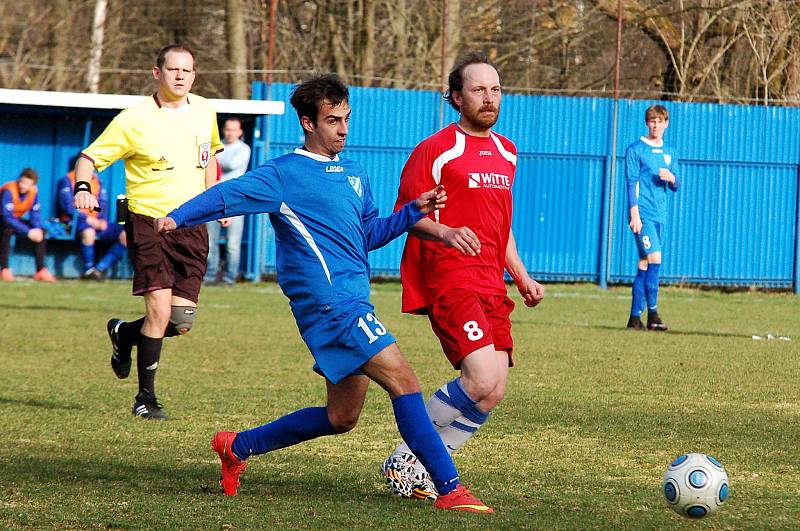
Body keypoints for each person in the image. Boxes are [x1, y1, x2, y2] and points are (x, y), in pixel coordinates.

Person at [156, 74, 493, 513]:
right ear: (308, 122)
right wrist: (176, 217)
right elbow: (227, 195)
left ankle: (237, 447)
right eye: (333, 120)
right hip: (332, 306)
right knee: (405, 381)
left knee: (342, 417)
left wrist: (413, 212)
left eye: (347, 119)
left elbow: (368, 234)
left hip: (354, 301)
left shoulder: (355, 172)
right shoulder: (283, 174)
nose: (343, 129)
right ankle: (450, 488)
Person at [380, 52, 544, 500]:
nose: (489, 98)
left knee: (493, 392)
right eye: (478, 89)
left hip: (492, 282)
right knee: (481, 378)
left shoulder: (507, 151)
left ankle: (422, 468)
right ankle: (407, 458)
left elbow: (500, 225)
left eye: (495, 89)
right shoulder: (436, 149)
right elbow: (405, 215)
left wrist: (521, 275)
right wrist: (447, 232)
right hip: (449, 276)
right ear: (456, 97)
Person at [73, 43, 222, 420]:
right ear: (157, 73)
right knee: (157, 311)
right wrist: (83, 188)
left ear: (194, 74)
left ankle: (124, 334)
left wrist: (216, 201)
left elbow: (209, 161)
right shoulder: (133, 119)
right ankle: (145, 399)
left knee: (180, 321)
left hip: (191, 225)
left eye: (187, 71)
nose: (180, 77)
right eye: (173, 70)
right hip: (148, 224)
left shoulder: (205, 111)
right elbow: (89, 158)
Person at [625, 104, 680, 331]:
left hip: (661, 215)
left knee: (645, 263)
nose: (656, 125)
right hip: (644, 215)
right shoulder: (636, 150)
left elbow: (677, 185)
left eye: (660, 121)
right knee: (655, 259)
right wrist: (634, 214)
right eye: (652, 121)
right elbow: (631, 183)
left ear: (666, 124)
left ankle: (635, 318)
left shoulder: (670, 152)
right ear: (647, 123)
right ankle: (654, 315)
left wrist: (672, 178)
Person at [56, 158, 127, 279]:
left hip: (95, 222)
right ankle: (88, 270)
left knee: (126, 235)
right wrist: (85, 218)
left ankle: (99, 269)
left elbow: (102, 204)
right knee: (89, 233)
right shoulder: (67, 180)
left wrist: (101, 220)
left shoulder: (97, 181)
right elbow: (66, 206)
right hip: (74, 221)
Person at [205, 117, 251, 285]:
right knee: (210, 241)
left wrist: (211, 157)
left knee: (233, 243)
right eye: (227, 129)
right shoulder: (216, 147)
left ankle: (229, 278)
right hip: (214, 197)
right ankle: (210, 275)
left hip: (235, 200)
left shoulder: (243, 149)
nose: (230, 133)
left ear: (240, 132)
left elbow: (231, 164)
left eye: (234, 129)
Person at [0, 168, 56, 282]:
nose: (23, 186)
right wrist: (28, 231)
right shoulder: (9, 190)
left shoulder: (33, 192)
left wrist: (36, 229)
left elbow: (35, 213)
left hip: (14, 221)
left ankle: (40, 270)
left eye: (27, 184)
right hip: (4, 221)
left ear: (33, 185)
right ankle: (4, 270)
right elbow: (6, 217)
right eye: (22, 182)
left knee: (41, 231)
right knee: (7, 230)